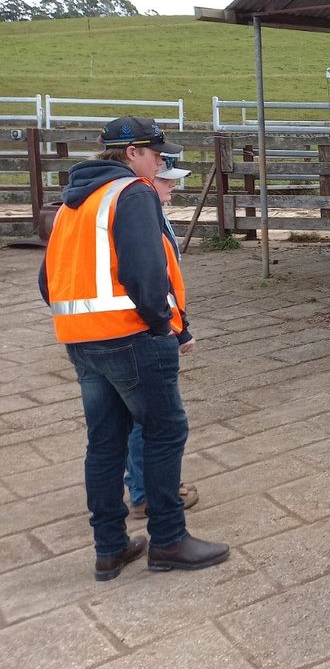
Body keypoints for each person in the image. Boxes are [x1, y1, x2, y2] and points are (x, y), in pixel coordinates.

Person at [38, 116, 229, 580]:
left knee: (104, 443)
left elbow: (46, 281)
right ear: (132, 154)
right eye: (157, 154)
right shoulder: (133, 193)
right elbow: (146, 273)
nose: (161, 162)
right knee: (165, 432)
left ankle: (110, 548)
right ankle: (168, 539)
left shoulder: (72, 204)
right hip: (132, 338)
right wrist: (164, 326)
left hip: (80, 342)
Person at [124, 158, 199, 519]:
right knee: (154, 419)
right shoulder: (140, 214)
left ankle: (142, 488)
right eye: (167, 181)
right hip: (143, 332)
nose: (173, 187)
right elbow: (154, 281)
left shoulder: (149, 211)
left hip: (127, 329)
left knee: (131, 418)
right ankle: (148, 494)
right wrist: (173, 328)